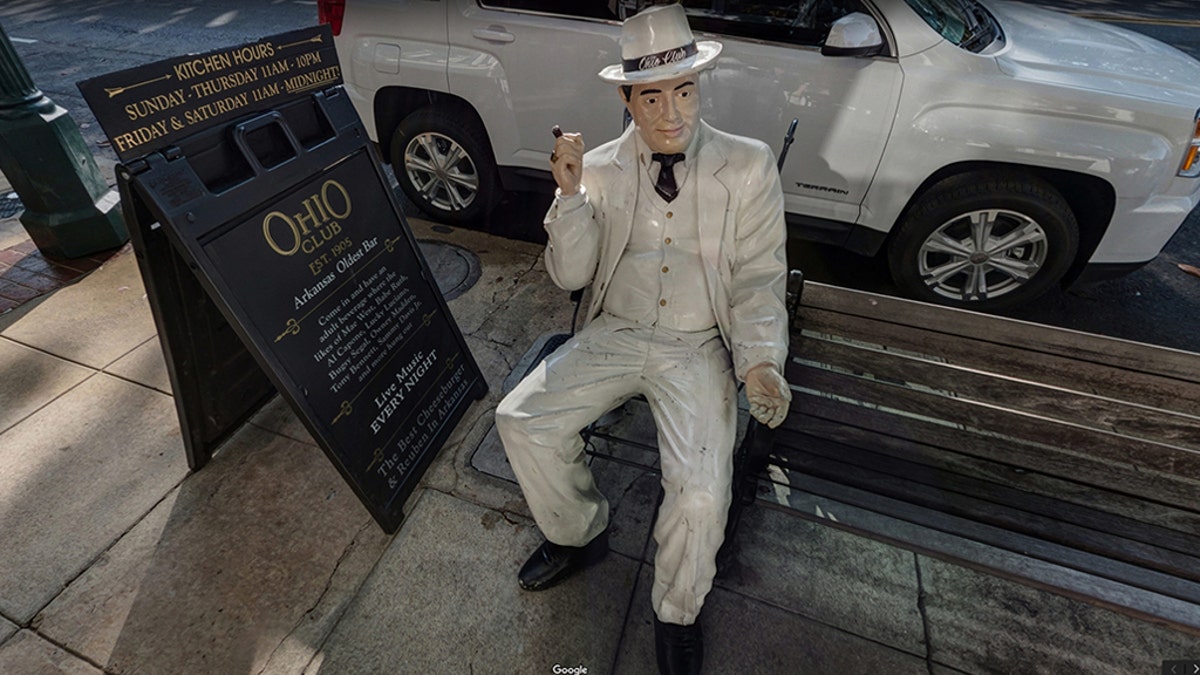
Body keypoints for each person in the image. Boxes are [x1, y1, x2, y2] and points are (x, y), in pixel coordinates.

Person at [494, 5, 790, 673]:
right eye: (651, 96)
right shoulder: (597, 168)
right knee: (521, 419)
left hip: (697, 344)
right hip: (618, 331)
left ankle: (676, 612)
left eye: (684, 90)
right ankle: (578, 532)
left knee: (701, 491)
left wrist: (760, 360)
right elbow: (569, 274)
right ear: (626, 98)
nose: (671, 112)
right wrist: (569, 196)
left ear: (699, 88)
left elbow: (760, 277)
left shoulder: (748, 167)